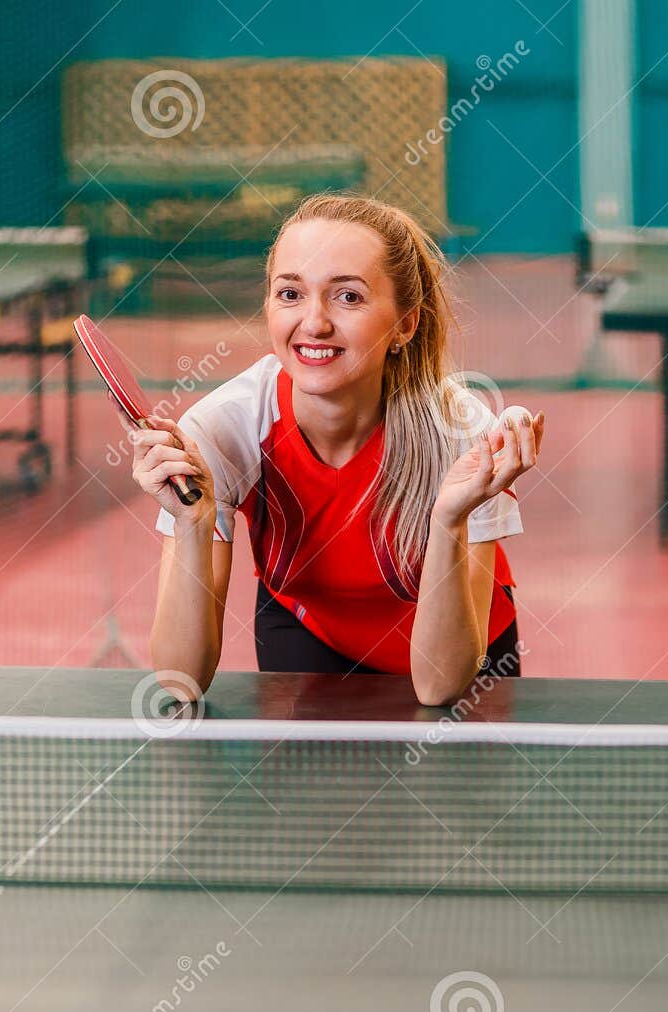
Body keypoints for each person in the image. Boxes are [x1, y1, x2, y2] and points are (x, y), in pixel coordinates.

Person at [130, 193, 545, 705]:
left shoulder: (463, 437)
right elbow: (178, 681)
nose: (314, 322)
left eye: (347, 297)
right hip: (309, 626)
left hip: (459, 641)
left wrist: (448, 520)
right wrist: (195, 525)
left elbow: (440, 687)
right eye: (290, 294)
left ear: (406, 324)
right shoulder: (224, 428)